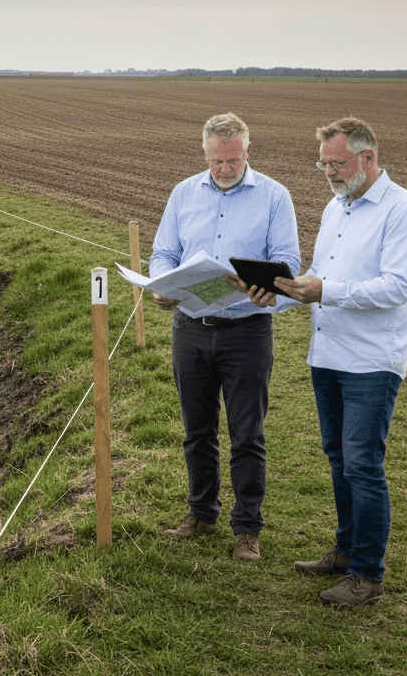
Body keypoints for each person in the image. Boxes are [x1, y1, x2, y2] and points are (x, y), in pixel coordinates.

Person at [236, 117, 407, 608]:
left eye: (335, 162)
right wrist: (282, 291)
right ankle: (345, 552)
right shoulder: (336, 207)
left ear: (367, 157)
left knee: (364, 465)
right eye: (322, 162)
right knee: (339, 459)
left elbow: (397, 287)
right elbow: (323, 277)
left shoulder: (403, 212)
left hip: (372, 361)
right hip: (328, 353)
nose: (327, 172)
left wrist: (325, 290)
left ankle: (368, 574)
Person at [151, 113, 301, 561]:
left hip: (247, 332)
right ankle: (201, 513)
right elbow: (163, 251)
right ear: (204, 152)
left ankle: (247, 529)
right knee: (197, 430)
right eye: (217, 161)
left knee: (246, 434)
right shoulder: (183, 193)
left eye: (233, 160)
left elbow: (287, 262)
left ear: (247, 151)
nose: (224, 169)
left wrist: (263, 289)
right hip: (190, 330)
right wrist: (162, 284)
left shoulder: (275, 197)